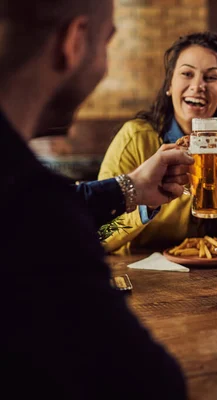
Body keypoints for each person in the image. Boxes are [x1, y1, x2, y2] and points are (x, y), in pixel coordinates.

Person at [1, 1, 188, 397]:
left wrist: (130, 188)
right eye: (107, 42)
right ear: (74, 41)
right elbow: (149, 383)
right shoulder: (33, 208)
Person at [99, 32, 217, 254]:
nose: (198, 85)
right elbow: (100, 233)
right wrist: (146, 204)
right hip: (150, 278)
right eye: (187, 73)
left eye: (211, 77)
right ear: (169, 85)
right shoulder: (135, 139)